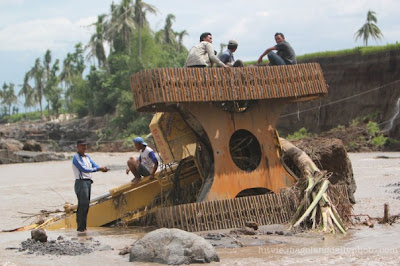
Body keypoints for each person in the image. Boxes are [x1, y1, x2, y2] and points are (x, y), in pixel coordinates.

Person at [72, 139, 109, 233]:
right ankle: (80, 228)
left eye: (85, 145)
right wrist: (98, 169)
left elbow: (94, 165)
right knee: (83, 205)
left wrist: (101, 168)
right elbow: (84, 169)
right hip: (81, 183)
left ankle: (83, 227)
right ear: (78, 147)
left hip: (87, 182)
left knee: (86, 205)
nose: (84, 147)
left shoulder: (87, 157)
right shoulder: (76, 157)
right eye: (82, 146)